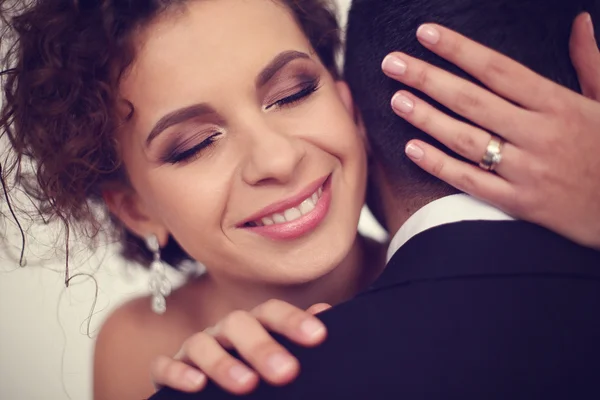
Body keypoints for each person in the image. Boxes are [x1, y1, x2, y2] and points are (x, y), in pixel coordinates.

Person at [1, 0, 599, 399]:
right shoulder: (135, 349)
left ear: (347, 103)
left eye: (292, 93)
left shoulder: (500, 289)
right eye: (194, 145)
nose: (278, 159)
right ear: (136, 208)